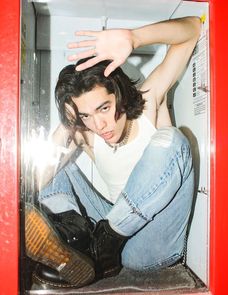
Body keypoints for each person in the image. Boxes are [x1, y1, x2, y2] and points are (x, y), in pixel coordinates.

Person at [25, 16, 201, 288]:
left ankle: (103, 243)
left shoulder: (148, 102)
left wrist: (134, 38)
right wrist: (67, 126)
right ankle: (77, 242)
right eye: (86, 115)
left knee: (173, 141)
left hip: (150, 247)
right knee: (57, 163)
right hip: (111, 237)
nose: (99, 125)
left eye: (103, 108)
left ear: (118, 93)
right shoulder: (87, 131)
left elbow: (192, 30)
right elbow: (37, 183)